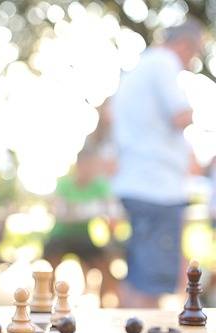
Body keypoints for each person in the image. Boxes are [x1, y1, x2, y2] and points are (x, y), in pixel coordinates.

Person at [111, 19, 203, 307]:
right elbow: (180, 115)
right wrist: (196, 112)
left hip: (137, 184)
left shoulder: (139, 69)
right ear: (185, 45)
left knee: (138, 277)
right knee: (151, 285)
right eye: (195, 53)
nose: (193, 62)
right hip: (157, 188)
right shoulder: (164, 63)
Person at [44, 147, 117, 304]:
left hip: (83, 235)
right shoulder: (64, 183)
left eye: (93, 165)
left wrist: (76, 210)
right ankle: (46, 301)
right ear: (79, 165)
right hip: (61, 234)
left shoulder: (99, 185)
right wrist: (91, 209)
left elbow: (112, 211)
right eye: (87, 165)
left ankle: (103, 305)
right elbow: (60, 212)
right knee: (49, 268)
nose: (90, 170)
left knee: (105, 266)